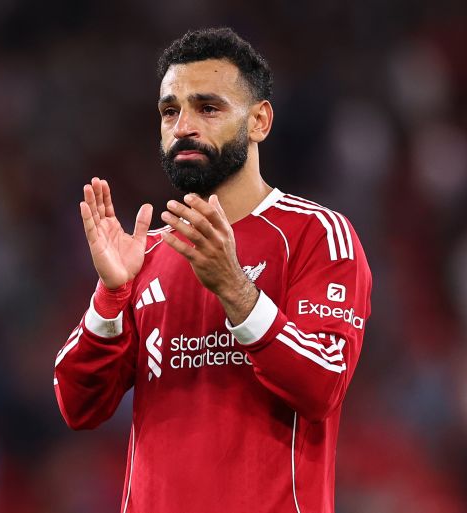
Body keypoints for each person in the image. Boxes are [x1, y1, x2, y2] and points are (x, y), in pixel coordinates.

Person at [53, 27, 372, 513]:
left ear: (259, 121)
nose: (183, 126)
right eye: (170, 111)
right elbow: (78, 406)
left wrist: (235, 289)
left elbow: (322, 384)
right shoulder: (147, 253)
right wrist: (110, 298)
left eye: (208, 108)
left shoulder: (317, 234)